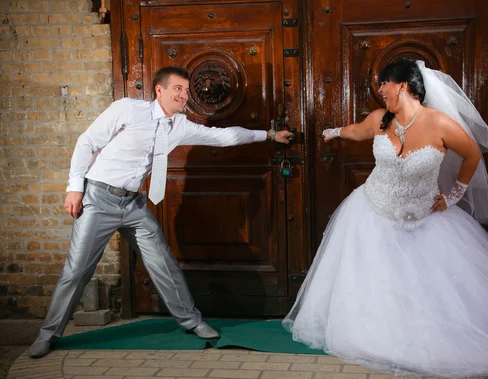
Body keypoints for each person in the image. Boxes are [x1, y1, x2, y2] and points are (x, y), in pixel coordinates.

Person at [283, 58, 488, 379]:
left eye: (384, 83)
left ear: (402, 85)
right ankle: (374, 330)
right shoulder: (380, 118)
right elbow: (357, 131)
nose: (380, 90)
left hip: (424, 217)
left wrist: (453, 195)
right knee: (375, 279)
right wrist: (333, 132)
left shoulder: (441, 124)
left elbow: (472, 153)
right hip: (372, 211)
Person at [28, 66, 294, 359]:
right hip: (99, 197)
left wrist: (269, 134)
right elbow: (87, 142)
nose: (184, 95)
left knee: (163, 262)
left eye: (186, 90)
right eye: (177, 89)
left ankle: (191, 321)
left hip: (134, 204)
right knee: (78, 269)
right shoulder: (128, 109)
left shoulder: (179, 126)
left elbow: (224, 137)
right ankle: (48, 334)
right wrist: (74, 187)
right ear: (160, 91)